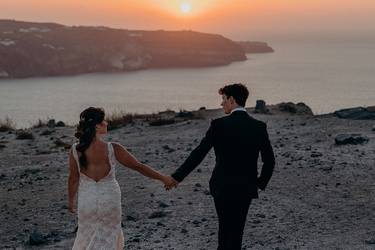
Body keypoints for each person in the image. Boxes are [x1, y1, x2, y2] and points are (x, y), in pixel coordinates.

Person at [165, 83, 276, 250]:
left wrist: (176, 177)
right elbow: (270, 161)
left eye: (223, 99)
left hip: (222, 187)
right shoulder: (258, 126)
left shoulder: (218, 125)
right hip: (246, 187)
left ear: (232, 100)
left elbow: (199, 154)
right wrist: (260, 183)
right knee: (237, 233)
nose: (221, 103)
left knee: (224, 232)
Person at [68, 107, 173, 249]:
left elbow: (73, 179)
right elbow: (139, 166)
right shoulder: (113, 148)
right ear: (97, 126)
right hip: (110, 200)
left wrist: (71, 201)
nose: (107, 123)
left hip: (87, 201)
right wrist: (164, 178)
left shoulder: (76, 150)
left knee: (85, 235)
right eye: (104, 121)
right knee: (109, 235)